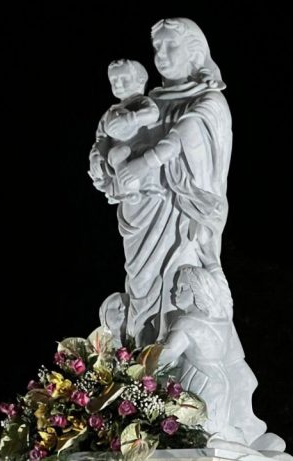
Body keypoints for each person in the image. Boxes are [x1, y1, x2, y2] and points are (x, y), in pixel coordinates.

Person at [93, 18, 230, 348]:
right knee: (139, 283)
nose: (163, 55)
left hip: (179, 211)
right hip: (138, 209)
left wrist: (145, 162)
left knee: (174, 283)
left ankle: (172, 358)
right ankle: (142, 363)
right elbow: (107, 138)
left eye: (172, 46)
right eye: (158, 48)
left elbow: (190, 132)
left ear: (194, 52)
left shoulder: (206, 100)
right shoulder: (148, 100)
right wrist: (102, 161)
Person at [159, 265, 266, 447]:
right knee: (211, 429)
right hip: (221, 383)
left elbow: (167, 354)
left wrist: (138, 361)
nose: (175, 291)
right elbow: (225, 300)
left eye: (183, 287)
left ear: (197, 290)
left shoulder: (186, 323)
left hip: (197, 381)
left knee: (194, 435)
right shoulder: (222, 322)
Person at [89, 59, 161, 205]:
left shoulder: (141, 102)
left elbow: (153, 113)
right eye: (113, 80)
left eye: (124, 79)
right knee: (114, 157)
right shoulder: (109, 113)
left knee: (145, 157)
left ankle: (148, 188)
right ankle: (125, 191)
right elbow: (101, 139)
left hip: (139, 151)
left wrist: (130, 119)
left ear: (140, 80)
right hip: (118, 158)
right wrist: (96, 157)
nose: (118, 84)